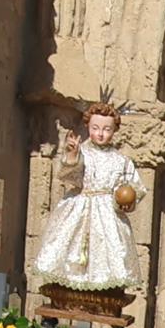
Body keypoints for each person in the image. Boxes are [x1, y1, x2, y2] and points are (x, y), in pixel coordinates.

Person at [35, 105, 141, 297]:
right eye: (95, 128)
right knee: (70, 247)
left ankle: (105, 294)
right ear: (88, 127)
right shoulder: (82, 152)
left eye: (106, 129)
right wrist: (72, 155)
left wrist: (126, 200)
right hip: (79, 207)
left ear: (115, 130)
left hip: (108, 214)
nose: (100, 134)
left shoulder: (122, 161)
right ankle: (66, 291)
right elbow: (69, 177)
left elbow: (132, 187)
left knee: (109, 253)